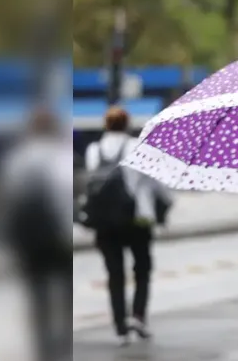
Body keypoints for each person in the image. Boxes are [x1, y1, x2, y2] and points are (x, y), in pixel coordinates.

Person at [83, 106, 172, 345]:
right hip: (137, 218)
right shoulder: (138, 147)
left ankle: (120, 326)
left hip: (104, 221)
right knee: (142, 269)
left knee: (114, 274)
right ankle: (138, 316)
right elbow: (155, 182)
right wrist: (167, 203)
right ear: (128, 124)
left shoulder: (94, 150)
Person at [0, 106, 74, 361]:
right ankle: (63, 341)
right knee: (64, 290)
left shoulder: (17, 157)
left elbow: (9, 197)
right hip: (57, 237)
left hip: (29, 239)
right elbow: (63, 197)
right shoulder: (60, 156)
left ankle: (44, 346)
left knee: (37, 293)